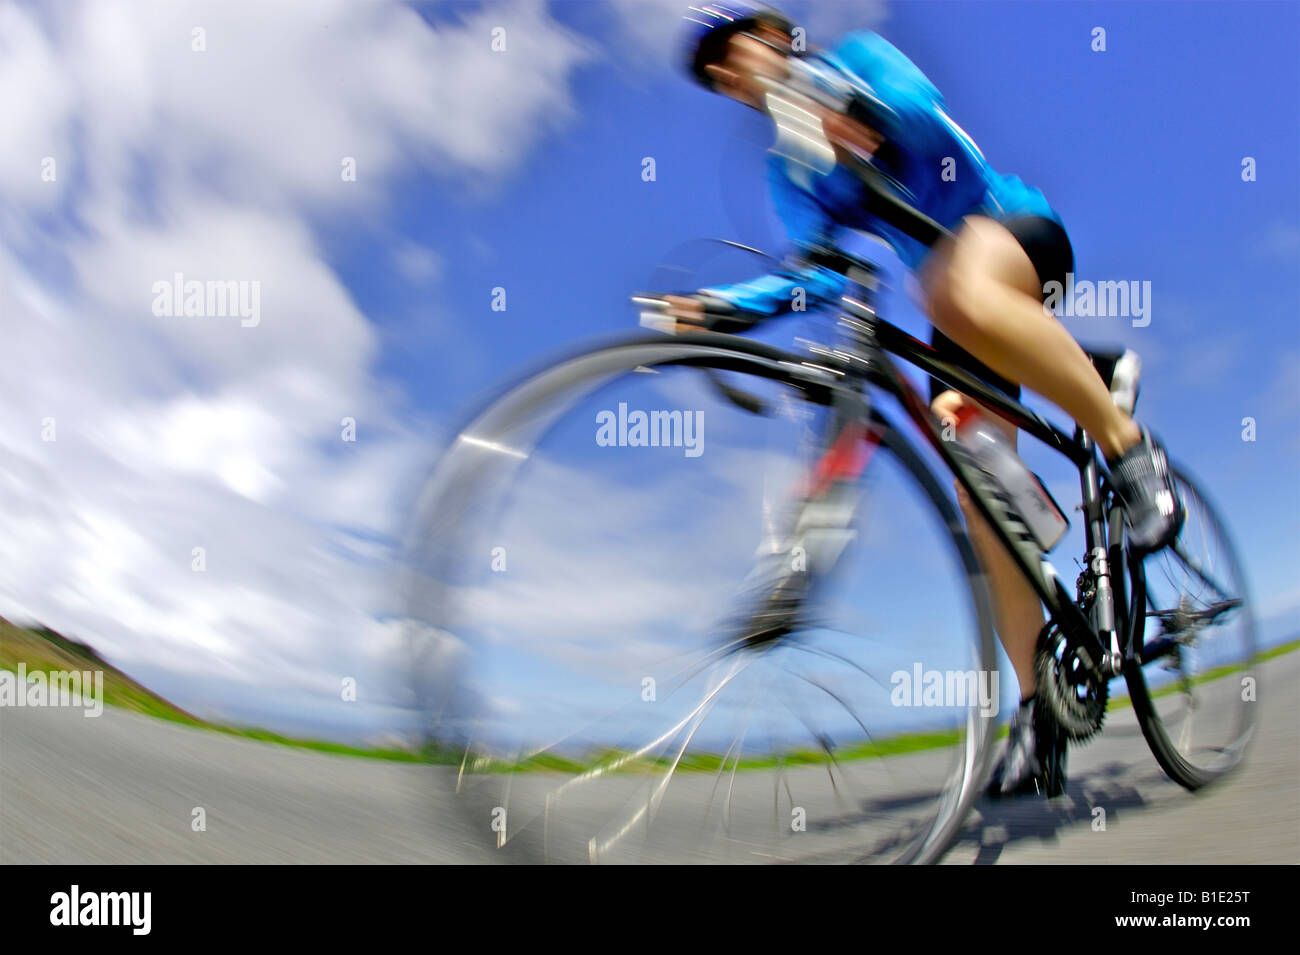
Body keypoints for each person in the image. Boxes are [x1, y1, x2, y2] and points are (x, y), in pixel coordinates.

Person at [670, 2, 1184, 798]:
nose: (729, 79)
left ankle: (1124, 444)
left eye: (729, 54)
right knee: (977, 490)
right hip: (957, 307)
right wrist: (725, 308)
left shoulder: (861, 61)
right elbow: (817, 273)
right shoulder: (789, 167)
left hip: (1013, 232)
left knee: (953, 285)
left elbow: (927, 123)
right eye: (715, 79)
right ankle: (1037, 707)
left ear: (772, 36)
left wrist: (855, 110)